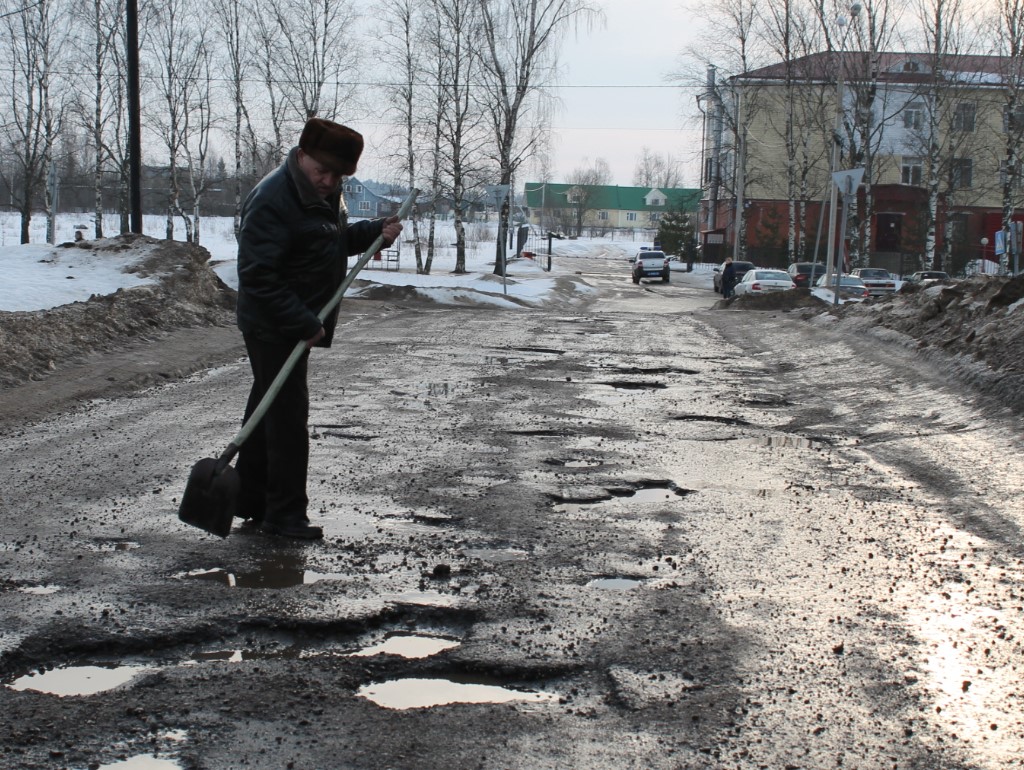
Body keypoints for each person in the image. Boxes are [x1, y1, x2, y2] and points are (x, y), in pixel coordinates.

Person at [234, 117, 403, 539]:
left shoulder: (319, 191)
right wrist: (304, 322)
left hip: (294, 323)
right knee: (288, 418)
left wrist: (372, 233)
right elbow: (258, 276)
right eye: (321, 170)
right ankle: (285, 517)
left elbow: (329, 241)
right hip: (274, 325)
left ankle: (253, 502)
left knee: (267, 411)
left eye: (338, 175)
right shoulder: (274, 198)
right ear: (302, 155)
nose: (328, 181)